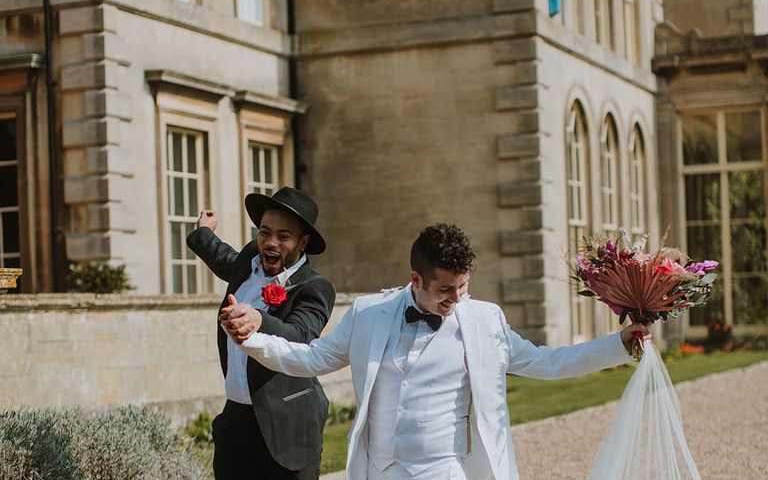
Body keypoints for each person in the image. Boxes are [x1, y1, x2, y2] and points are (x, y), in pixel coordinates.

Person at [221, 223, 647, 480]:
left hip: (447, 470)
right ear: (416, 279)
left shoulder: (484, 321)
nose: (457, 298)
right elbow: (310, 359)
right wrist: (252, 340)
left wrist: (617, 345)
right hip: (381, 471)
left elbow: (545, 363)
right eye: (446, 289)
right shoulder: (369, 313)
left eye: (463, 286)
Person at [187, 186, 336, 480]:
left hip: (289, 424)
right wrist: (205, 232)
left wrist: (259, 319)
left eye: (283, 236)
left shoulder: (315, 287)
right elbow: (223, 258)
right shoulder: (248, 261)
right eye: (264, 232)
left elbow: (300, 334)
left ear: (302, 242)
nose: (270, 242)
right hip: (236, 423)